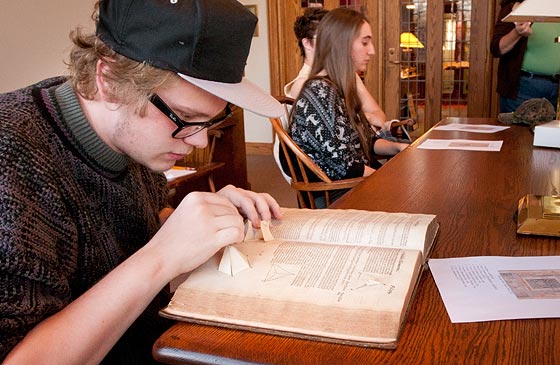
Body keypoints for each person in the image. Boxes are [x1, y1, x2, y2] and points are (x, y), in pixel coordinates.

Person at [0, 0, 284, 363]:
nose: (199, 140)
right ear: (110, 82)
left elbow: (128, 229)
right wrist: (162, 254)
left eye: (211, 119)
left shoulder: (133, 138)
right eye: (184, 117)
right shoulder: (13, 160)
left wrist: (197, 222)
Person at [289, 8, 407, 188]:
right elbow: (347, 167)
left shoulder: (337, 86)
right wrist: (391, 181)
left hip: (358, 180)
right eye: (365, 42)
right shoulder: (319, 92)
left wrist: (398, 148)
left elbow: (367, 141)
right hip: (341, 192)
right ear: (341, 44)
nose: (372, 51)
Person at [285, 7, 414, 143]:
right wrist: (362, 118)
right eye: (325, 37)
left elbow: (379, 116)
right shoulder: (307, 87)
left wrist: (358, 119)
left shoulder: (346, 74)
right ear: (307, 43)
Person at [490, 0, 560, 113]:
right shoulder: (517, 8)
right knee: (519, 131)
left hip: (557, 89)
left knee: (552, 131)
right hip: (524, 88)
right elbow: (497, 48)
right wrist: (517, 33)